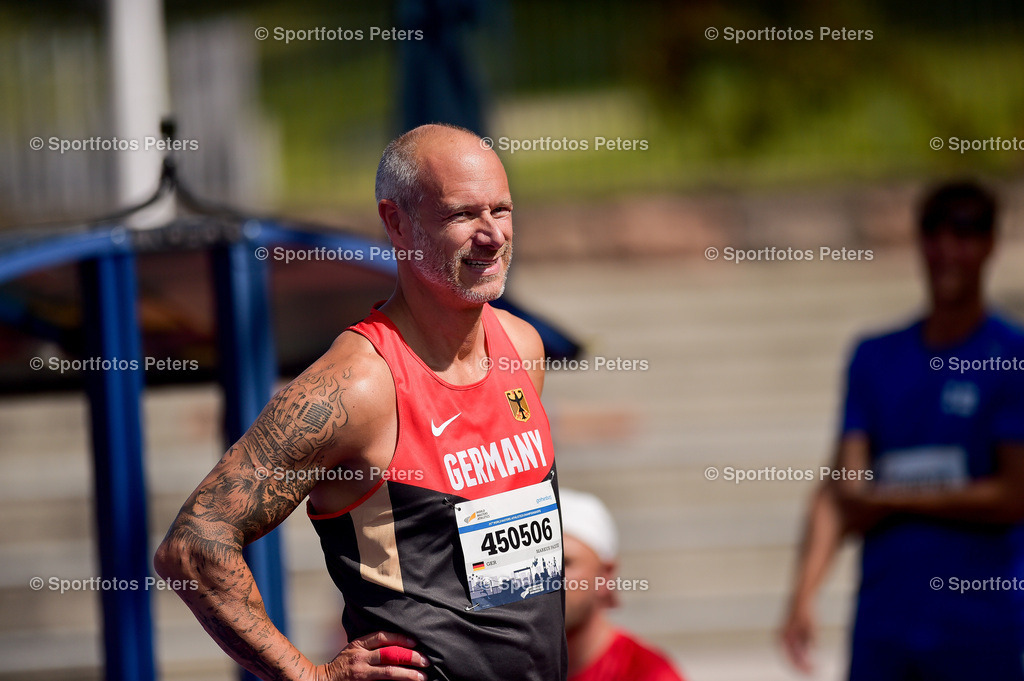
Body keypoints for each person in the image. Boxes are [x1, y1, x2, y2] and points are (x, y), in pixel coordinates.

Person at [155, 123, 568, 681]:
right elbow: (193, 547)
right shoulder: (356, 387)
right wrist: (307, 676)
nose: (492, 234)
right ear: (398, 223)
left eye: (502, 210)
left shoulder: (523, 347)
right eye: (461, 215)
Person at [780, 181, 1024, 679]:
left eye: (966, 232)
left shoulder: (1012, 356)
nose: (947, 250)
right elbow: (843, 486)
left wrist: (893, 499)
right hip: (887, 618)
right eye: (934, 233)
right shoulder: (874, 356)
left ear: (990, 245)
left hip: (984, 623)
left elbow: (1013, 494)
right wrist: (804, 594)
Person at [560, 488, 687, 681]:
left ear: (605, 575)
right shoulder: (503, 666)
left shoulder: (646, 673)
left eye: (564, 563)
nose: (546, 578)